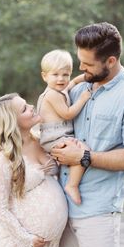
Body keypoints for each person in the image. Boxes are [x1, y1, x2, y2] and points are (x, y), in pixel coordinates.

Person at [51, 22, 124, 247]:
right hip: (63, 203)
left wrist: (84, 157)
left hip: (98, 206)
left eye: (88, 64)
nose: (81, 69)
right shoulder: (76, 90)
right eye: (79, 61)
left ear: (111, 60)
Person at [0, 93, 68, 247]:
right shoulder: (4, 159)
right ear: (12, 122)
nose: (31, 106)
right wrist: (26, 239)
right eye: (24, 108)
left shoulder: (41, 140)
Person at [37, 49, 91, 204]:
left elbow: (73, 83)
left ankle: (63, 184)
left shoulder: (60, 88)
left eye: (66, 74)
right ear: (44, 76)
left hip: (58, 136)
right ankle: (72, 185)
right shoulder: (52, 94)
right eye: (55, 75)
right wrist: (83, 98)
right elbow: (67, 114)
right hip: (53, 139)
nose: (61, 79)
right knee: (83, 150)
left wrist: (86, 77)